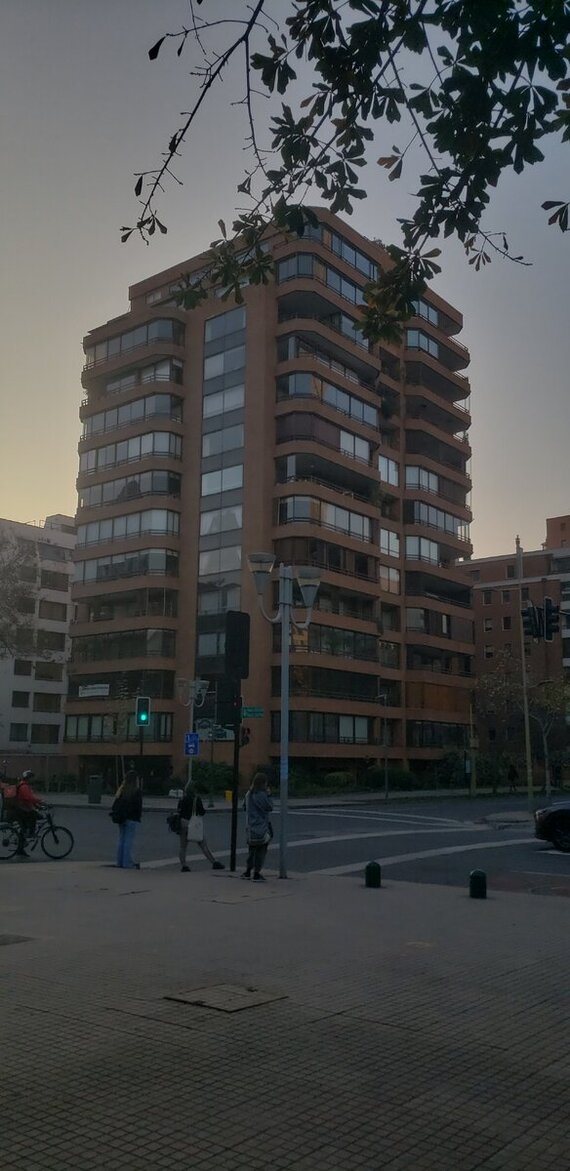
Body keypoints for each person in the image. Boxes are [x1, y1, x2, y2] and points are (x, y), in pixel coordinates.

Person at [178, 781, 225, 873]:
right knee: (203, 844)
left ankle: (184, 865)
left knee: (183, 846)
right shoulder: (196, 799)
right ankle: (214, 862)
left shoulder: (182, 799)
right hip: (194, 824)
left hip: (183, 823)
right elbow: (202, 812)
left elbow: (179, 810)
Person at [5, 770, 44, 858]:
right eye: (31, 777)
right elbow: (28, 797)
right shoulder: (24, 786)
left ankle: (21, 848)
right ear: (28, 778)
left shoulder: (23, 785)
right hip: (21, 810)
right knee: (34, 815)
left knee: (25, 827)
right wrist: (40, 801)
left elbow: (28, 799)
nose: (32, 779)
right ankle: (30, 833)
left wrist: (38, 806)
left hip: (21, 809)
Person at [242, 773, 273, 881]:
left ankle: (247, 871)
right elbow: (269, 807)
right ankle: (257, 873)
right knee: (261, 850)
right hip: (261, 826)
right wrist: (269, 795)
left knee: (252, 850)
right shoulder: (261, 795)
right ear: (263, 783)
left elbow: (244, 807)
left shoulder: (248, 794)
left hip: (250, 826)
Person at [111, 770, 142, 869]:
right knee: (128, 841)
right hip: (132, 818)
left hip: (121, 817)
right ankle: (127, 863)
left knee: (121, 840)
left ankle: (119, 861)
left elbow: (115, 804)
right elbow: (138, 806)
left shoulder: (121, 790)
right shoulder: (136, 791)